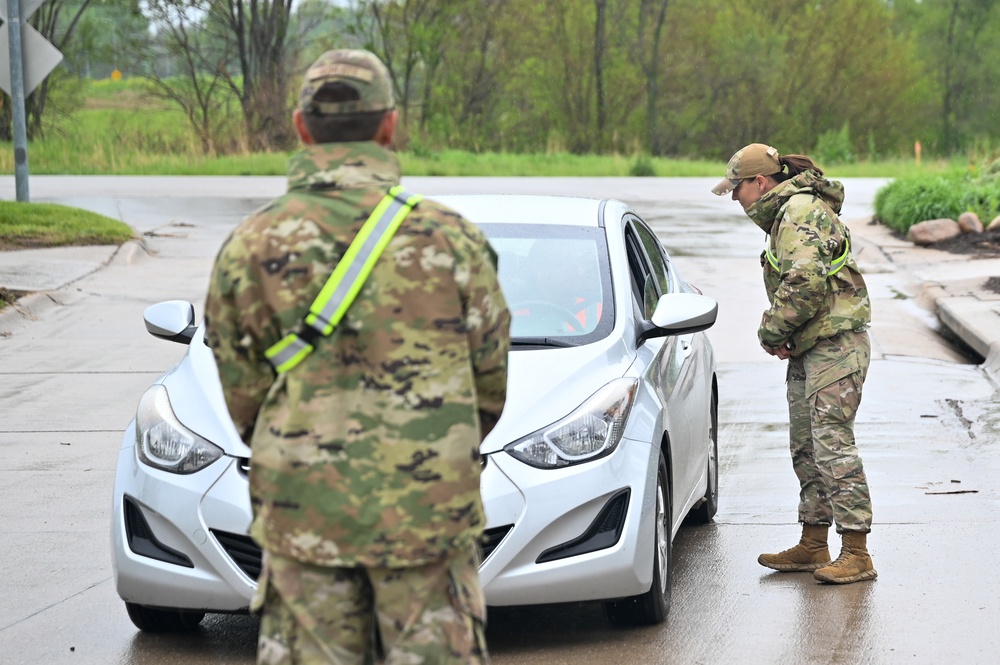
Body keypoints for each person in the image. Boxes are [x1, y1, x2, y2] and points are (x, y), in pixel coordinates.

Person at [204, 49, 511, 663]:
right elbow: (489, 382)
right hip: (427, 517)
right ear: (389, 126)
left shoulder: (249, 245)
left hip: (303, 517)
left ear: (299, 126)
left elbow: (243, 397)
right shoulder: (450, 237)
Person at [712, 143, 876, 585]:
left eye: (736, 189)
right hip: (813, 345)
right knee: (806, 446)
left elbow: (804, 285)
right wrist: (789, 336)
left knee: (832, 445)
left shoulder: (799, 211)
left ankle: (857, 552)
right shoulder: (786, 215)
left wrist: (770, 331)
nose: (736, 199)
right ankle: (813, 543)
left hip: (836, 347)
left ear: (760, 183)